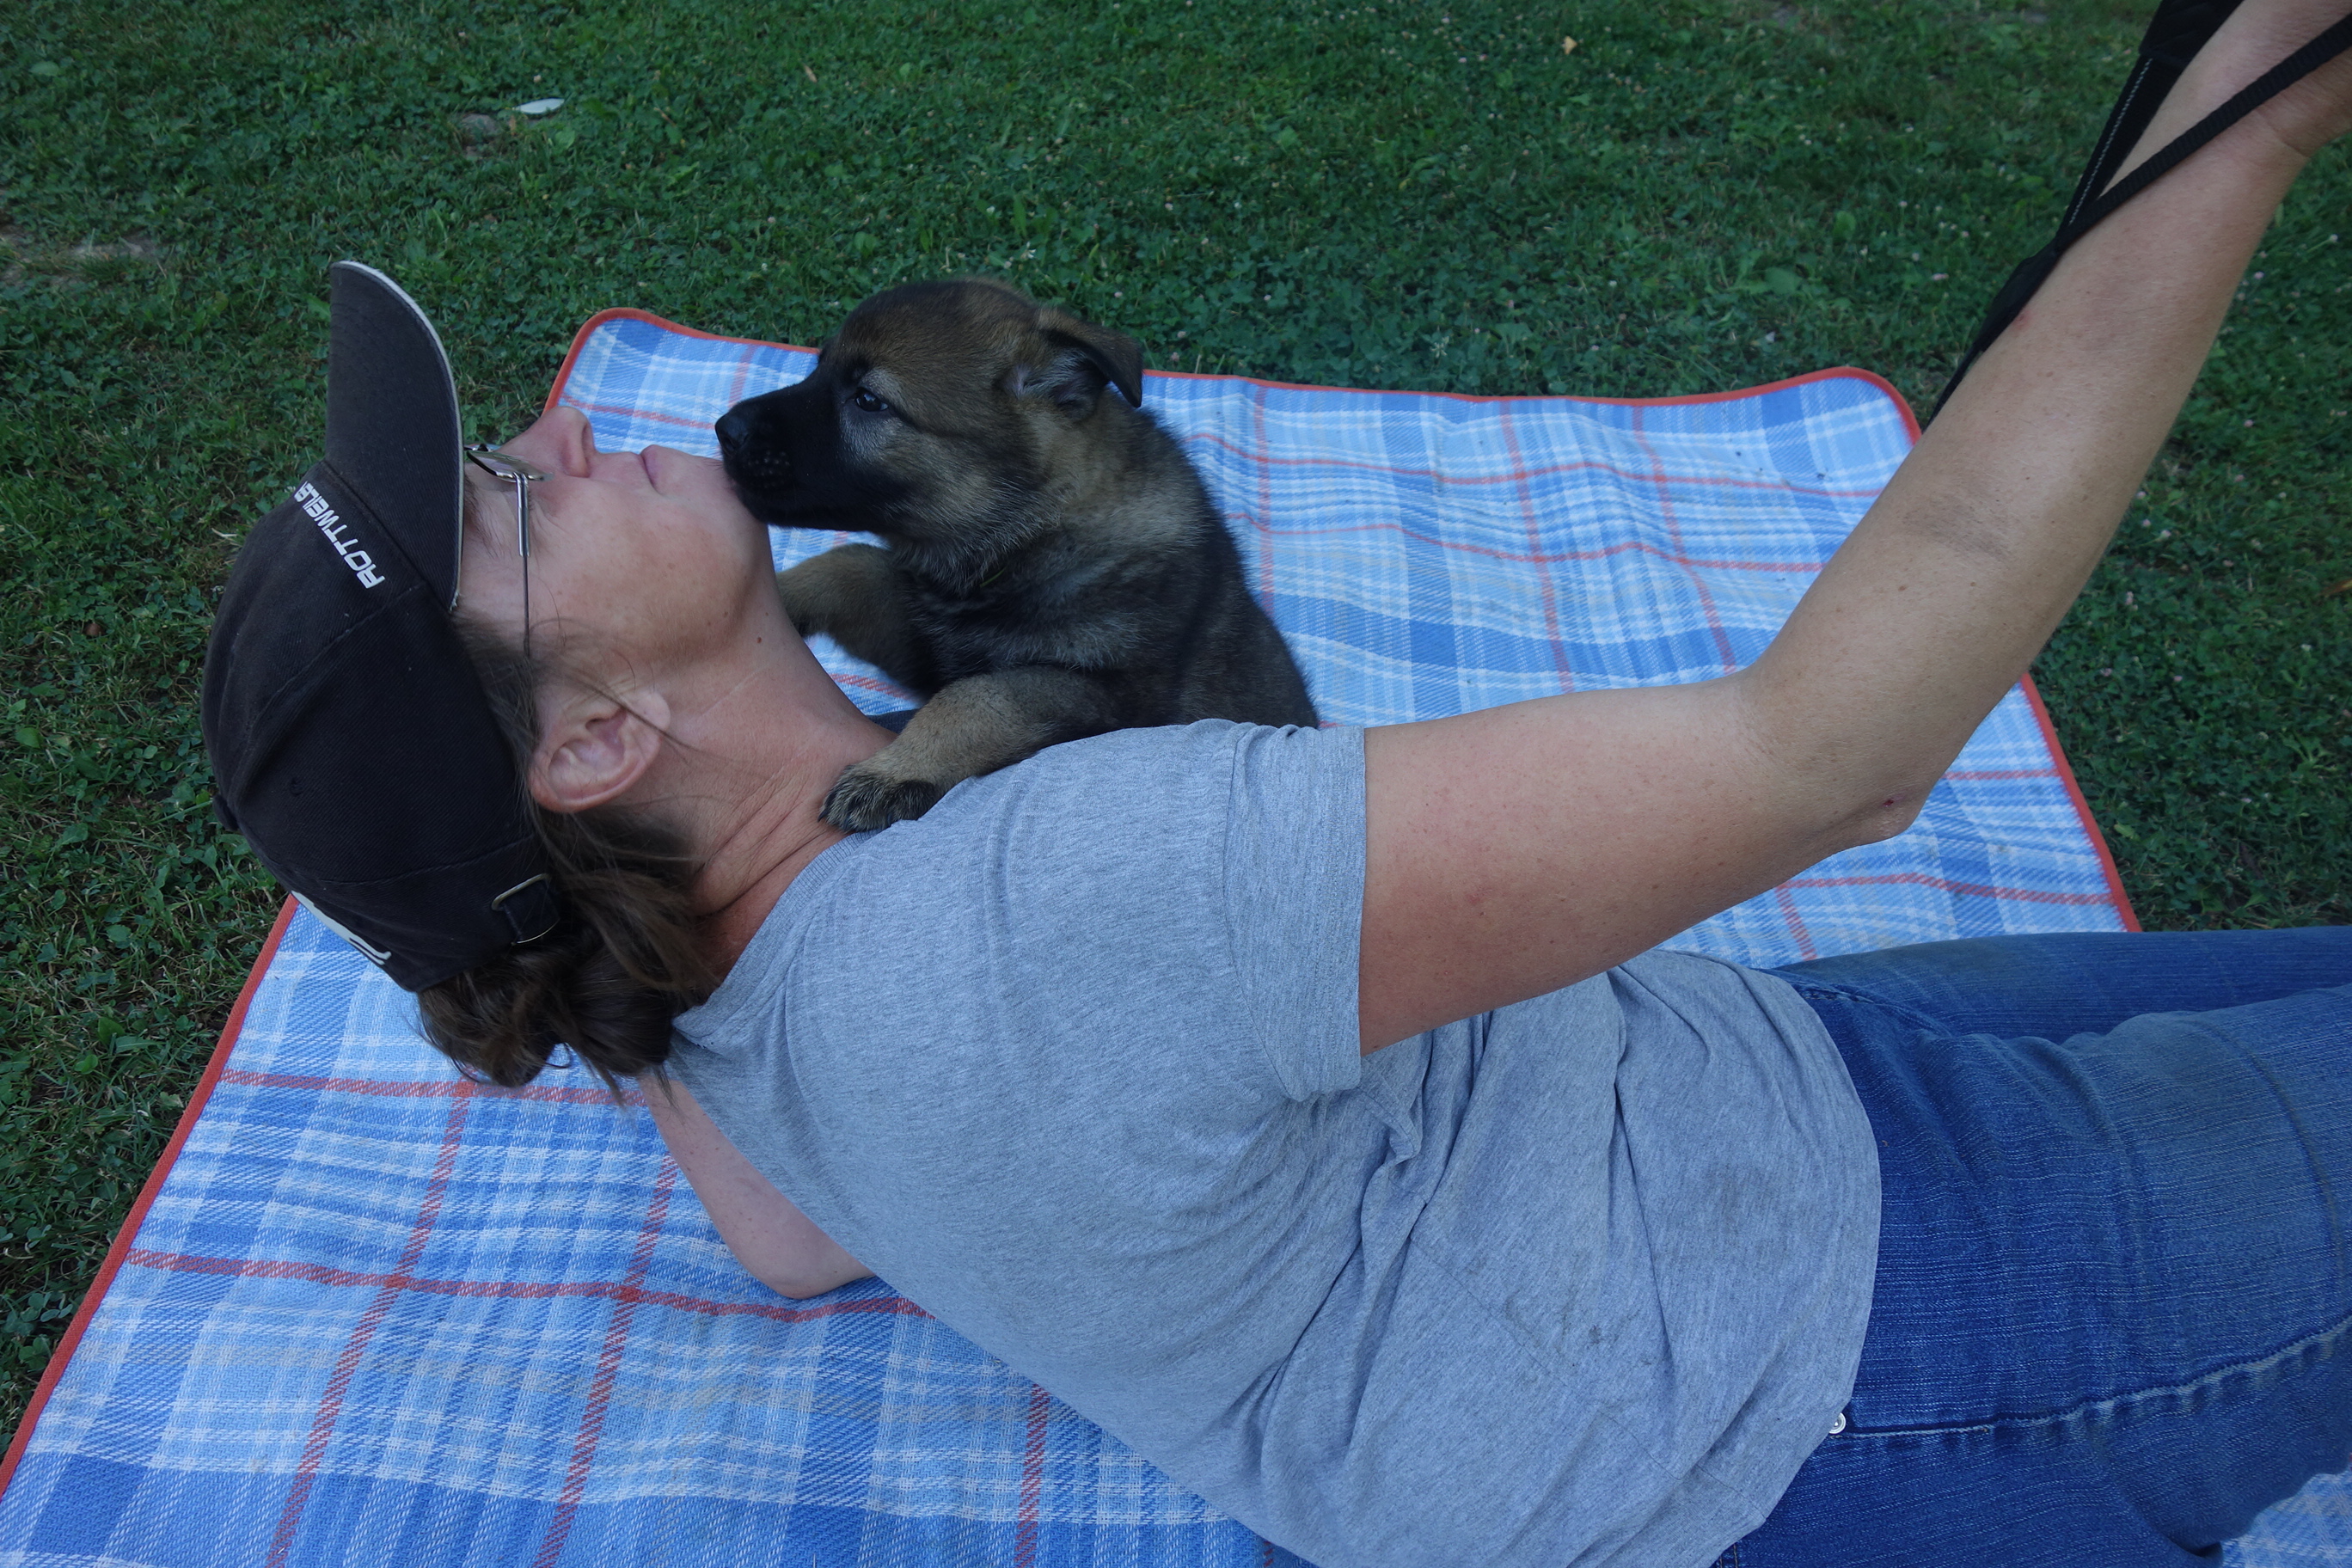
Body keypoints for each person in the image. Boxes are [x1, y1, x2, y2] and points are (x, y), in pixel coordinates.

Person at [199, 1, 2352, 1562]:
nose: (566, 429)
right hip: (1863, 1351)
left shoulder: (729, 1010)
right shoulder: (1077, 881)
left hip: (1714, 1100)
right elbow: (1833, 758)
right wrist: (2251, 104)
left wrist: (574, 922)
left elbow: (782, 1247)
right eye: (512, 498)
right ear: (592, 742)